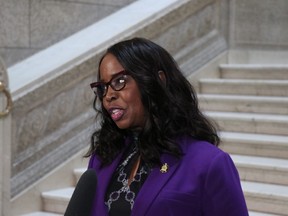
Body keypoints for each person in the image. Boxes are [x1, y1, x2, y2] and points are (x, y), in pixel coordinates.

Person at [86, 37, 249, 216]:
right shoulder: (102, 158)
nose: (108, 95)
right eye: (103, 87)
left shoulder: (209, 163)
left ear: (157, 80)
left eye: (119, 81)